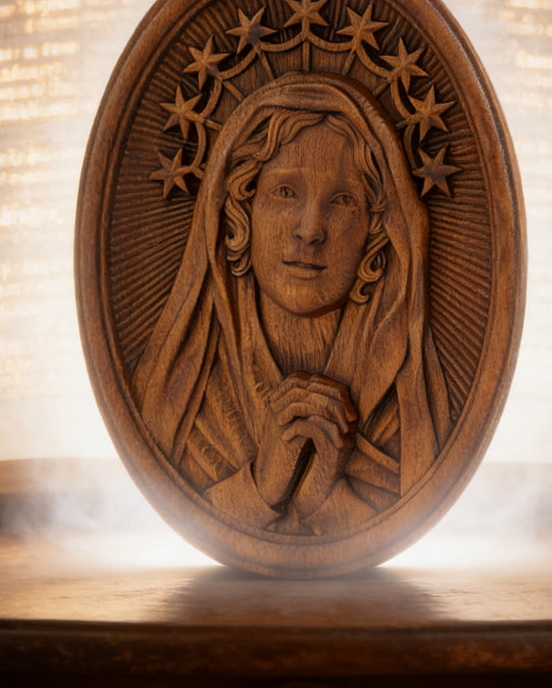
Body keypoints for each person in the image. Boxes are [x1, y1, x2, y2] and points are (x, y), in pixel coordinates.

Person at [131, 72, 451, 536]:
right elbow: (165, 517)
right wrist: (260, 487)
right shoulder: (180, 401)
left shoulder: (409, 409)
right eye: (285, 193)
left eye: (342, 201)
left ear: (375, 234)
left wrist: (326, 499)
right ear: (241, 214)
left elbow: (410, 519)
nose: (309, 229)